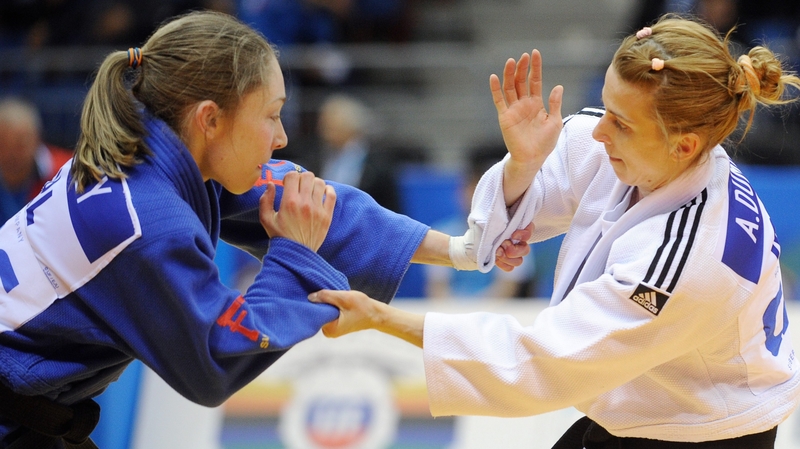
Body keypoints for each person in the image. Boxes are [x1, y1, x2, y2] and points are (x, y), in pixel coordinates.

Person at [0, 11, 528, 448]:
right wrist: (295, 252)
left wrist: (466, 249)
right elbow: (216, 358)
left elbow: (317, 205)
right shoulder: (144, 222)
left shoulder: (163, 152)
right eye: (272, 116)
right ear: (210, 119)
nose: (280, 138)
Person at [310, 14, 800, 448]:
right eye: (604, 107)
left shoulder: (687, 261)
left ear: (684, 145)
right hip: (655, 393)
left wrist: (382, 318)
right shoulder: (655, 144)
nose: (600, 131)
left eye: (620, 123)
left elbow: (544, 360)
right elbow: (529, 204)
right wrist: (524, 164)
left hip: (704, 429)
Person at [425, 144, 535, 299]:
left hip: (492, 314)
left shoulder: (515, 235)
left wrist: (477, 316)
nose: (479, 198)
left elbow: (508, 288)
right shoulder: (440, 231)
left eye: (488, 193)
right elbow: (437, 289)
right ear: (461, 191)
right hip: (452, 313)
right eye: (473, 189)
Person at [317, 93, 401, 212]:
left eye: (330, 125)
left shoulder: (377, 164)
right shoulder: (317, 156)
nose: (323, 131)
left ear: (348, 125)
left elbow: (391, 209)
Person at [0, 97, 73, 223]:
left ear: (37, 139)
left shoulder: (70, 172)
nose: (10, 155)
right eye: (3, 145)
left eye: (19, 146)